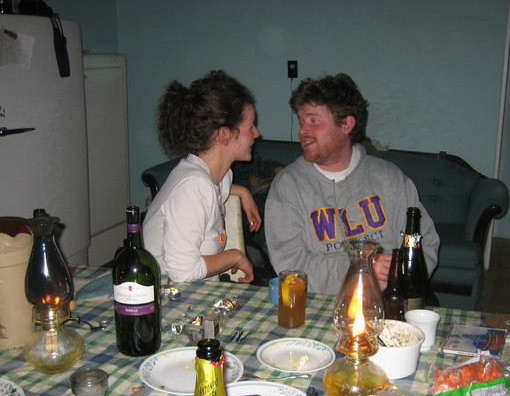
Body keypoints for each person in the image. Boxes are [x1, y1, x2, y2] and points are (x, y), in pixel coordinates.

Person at [265, 73, 440, 295]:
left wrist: (401, 280)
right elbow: (290, 266)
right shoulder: (288, 186)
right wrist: (363, 267)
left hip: (389, 298)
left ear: (346, 124)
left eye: (314, 121)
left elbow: (425, 245)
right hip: (321, 304)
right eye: (301, 122)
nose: (303, 131)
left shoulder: (389, 178)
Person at [143, 70, 262, 283]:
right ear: (224, 134)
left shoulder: (214, 176)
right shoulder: (193, 186)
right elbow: (183, 272)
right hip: (170, 293)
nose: (257, 134)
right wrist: (236, 256)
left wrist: (242, 192)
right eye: (250, 127)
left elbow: (213, 191)